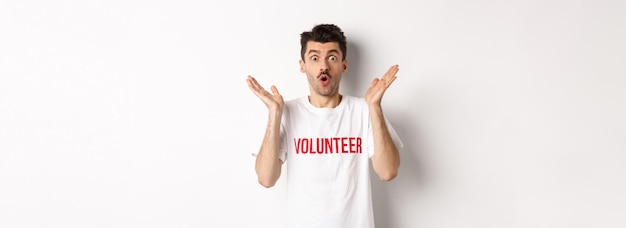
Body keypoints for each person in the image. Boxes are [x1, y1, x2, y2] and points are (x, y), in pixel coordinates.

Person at [246, 24, 403, 228]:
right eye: (314, 58)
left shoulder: (364, 110)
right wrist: (275, 114)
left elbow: (388, 172)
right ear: (302, 65)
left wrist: (374, 106)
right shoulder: (286, 112)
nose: (324, 66)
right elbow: (266, 178)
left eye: (332, 57)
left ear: (343, 65)